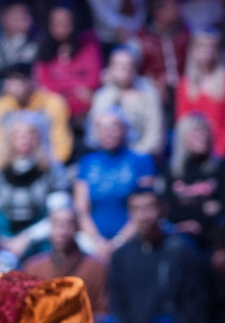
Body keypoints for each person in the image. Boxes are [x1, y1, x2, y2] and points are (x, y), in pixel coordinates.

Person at [109, 191, 209, 323]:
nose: (144, 215)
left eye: (150, 207)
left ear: (163, 209)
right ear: (129, 213)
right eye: (137, 209)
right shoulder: (121, 256)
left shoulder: (181, 250)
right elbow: (118, 304)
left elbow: (194, 299)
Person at [74, 109, 156, 258]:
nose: (108, 133)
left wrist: (118, 242)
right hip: (94, 245)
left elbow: (146, 208)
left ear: (124, 129)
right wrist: (98, 242)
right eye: (102, 128)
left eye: (113, 127)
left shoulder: (141, 161)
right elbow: (81, 211)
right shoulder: (87, 162)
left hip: (133, 241)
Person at [0, 112, 68, 258]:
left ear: (40, 137)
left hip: (41, 239)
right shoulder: (2, 170)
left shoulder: (52, 170)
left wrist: (26, 238)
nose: (24, 138)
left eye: (31, 133)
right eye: (18, 133)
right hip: (4, 239)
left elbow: (59, 213)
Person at [165, 115, 225, 245]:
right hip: (180, 232)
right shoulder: (173, 172)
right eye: (196, 132)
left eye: (205, 132)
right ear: (183, 138)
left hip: (212, 232)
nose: (202, 136)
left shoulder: (221, 169)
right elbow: (169, 209)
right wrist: (199, 213)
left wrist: (198, 221)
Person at [22, 206, 109, 316]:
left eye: (69, 223)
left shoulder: (96, 268)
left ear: (77, 228)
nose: (62, 229)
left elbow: (102, 311)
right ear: (49, 228)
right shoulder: (33, 267)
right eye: (56, 223)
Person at [176, 30, 225, 158]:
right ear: (193, 50)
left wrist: (218, 153)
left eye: (212, 46)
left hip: (224, 153)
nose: (207, 50)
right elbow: (183, 124)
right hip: (194, 154)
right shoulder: (184, 84)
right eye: (202, 46)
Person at [87, 46, 165, 156]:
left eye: (129, 65)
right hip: (107, 156)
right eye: (119, 65)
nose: (125, 69)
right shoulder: (103, 95)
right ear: (110, 68)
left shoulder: (149, 95)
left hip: (142, 155)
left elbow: (155, 137)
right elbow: (93, 136)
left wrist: (135, 156)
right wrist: (111, 90)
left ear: (136, 67)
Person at [33, 5, 103, 122]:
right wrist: (75, 87)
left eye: (65, 21)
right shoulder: (44, 49)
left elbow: (93, 79)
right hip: (57, 100)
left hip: (84, 100)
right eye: (56, 22)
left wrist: (67, 86)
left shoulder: (88, 43)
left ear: (74, 22)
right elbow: (46, 83)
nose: (61, 25)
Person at [0, 63, 73, 163]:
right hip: (9, 166)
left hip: (47, 164)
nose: (14, 85)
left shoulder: (53, 104)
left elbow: (62, 144)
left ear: (31, 80)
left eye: (19, 79)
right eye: (10, 80)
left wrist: (50, 166)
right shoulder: (3, 106)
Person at [133, 0, 191, 102]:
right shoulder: (140, 39)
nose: (179, 9)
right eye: (173, 6)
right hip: (152, 96)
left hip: (185, 92)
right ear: (159, 12)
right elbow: (129, 70)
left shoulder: (187, 34)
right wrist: (149, 84)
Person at [0, 1, 38, 70]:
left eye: (26, 15)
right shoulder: (2, 41)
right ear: (4, 18)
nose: (27, 19)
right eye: (17, 16)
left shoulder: (36, 46)